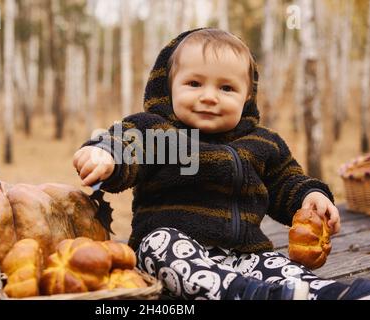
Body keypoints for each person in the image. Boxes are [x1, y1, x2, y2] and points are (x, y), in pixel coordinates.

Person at [73, 28, 370, 300]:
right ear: (169, 86)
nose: (209, 97)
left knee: (278, 264)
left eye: (226, 88)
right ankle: (248, 294)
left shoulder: (262, 143)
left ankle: (331, 295)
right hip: (175, 251)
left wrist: (310, 196)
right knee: (159, 244)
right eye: (194, 83)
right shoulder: (157, 131)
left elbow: (286, 181)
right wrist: (105, 154)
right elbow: (127, 143)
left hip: (244, 254)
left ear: (247, 97)